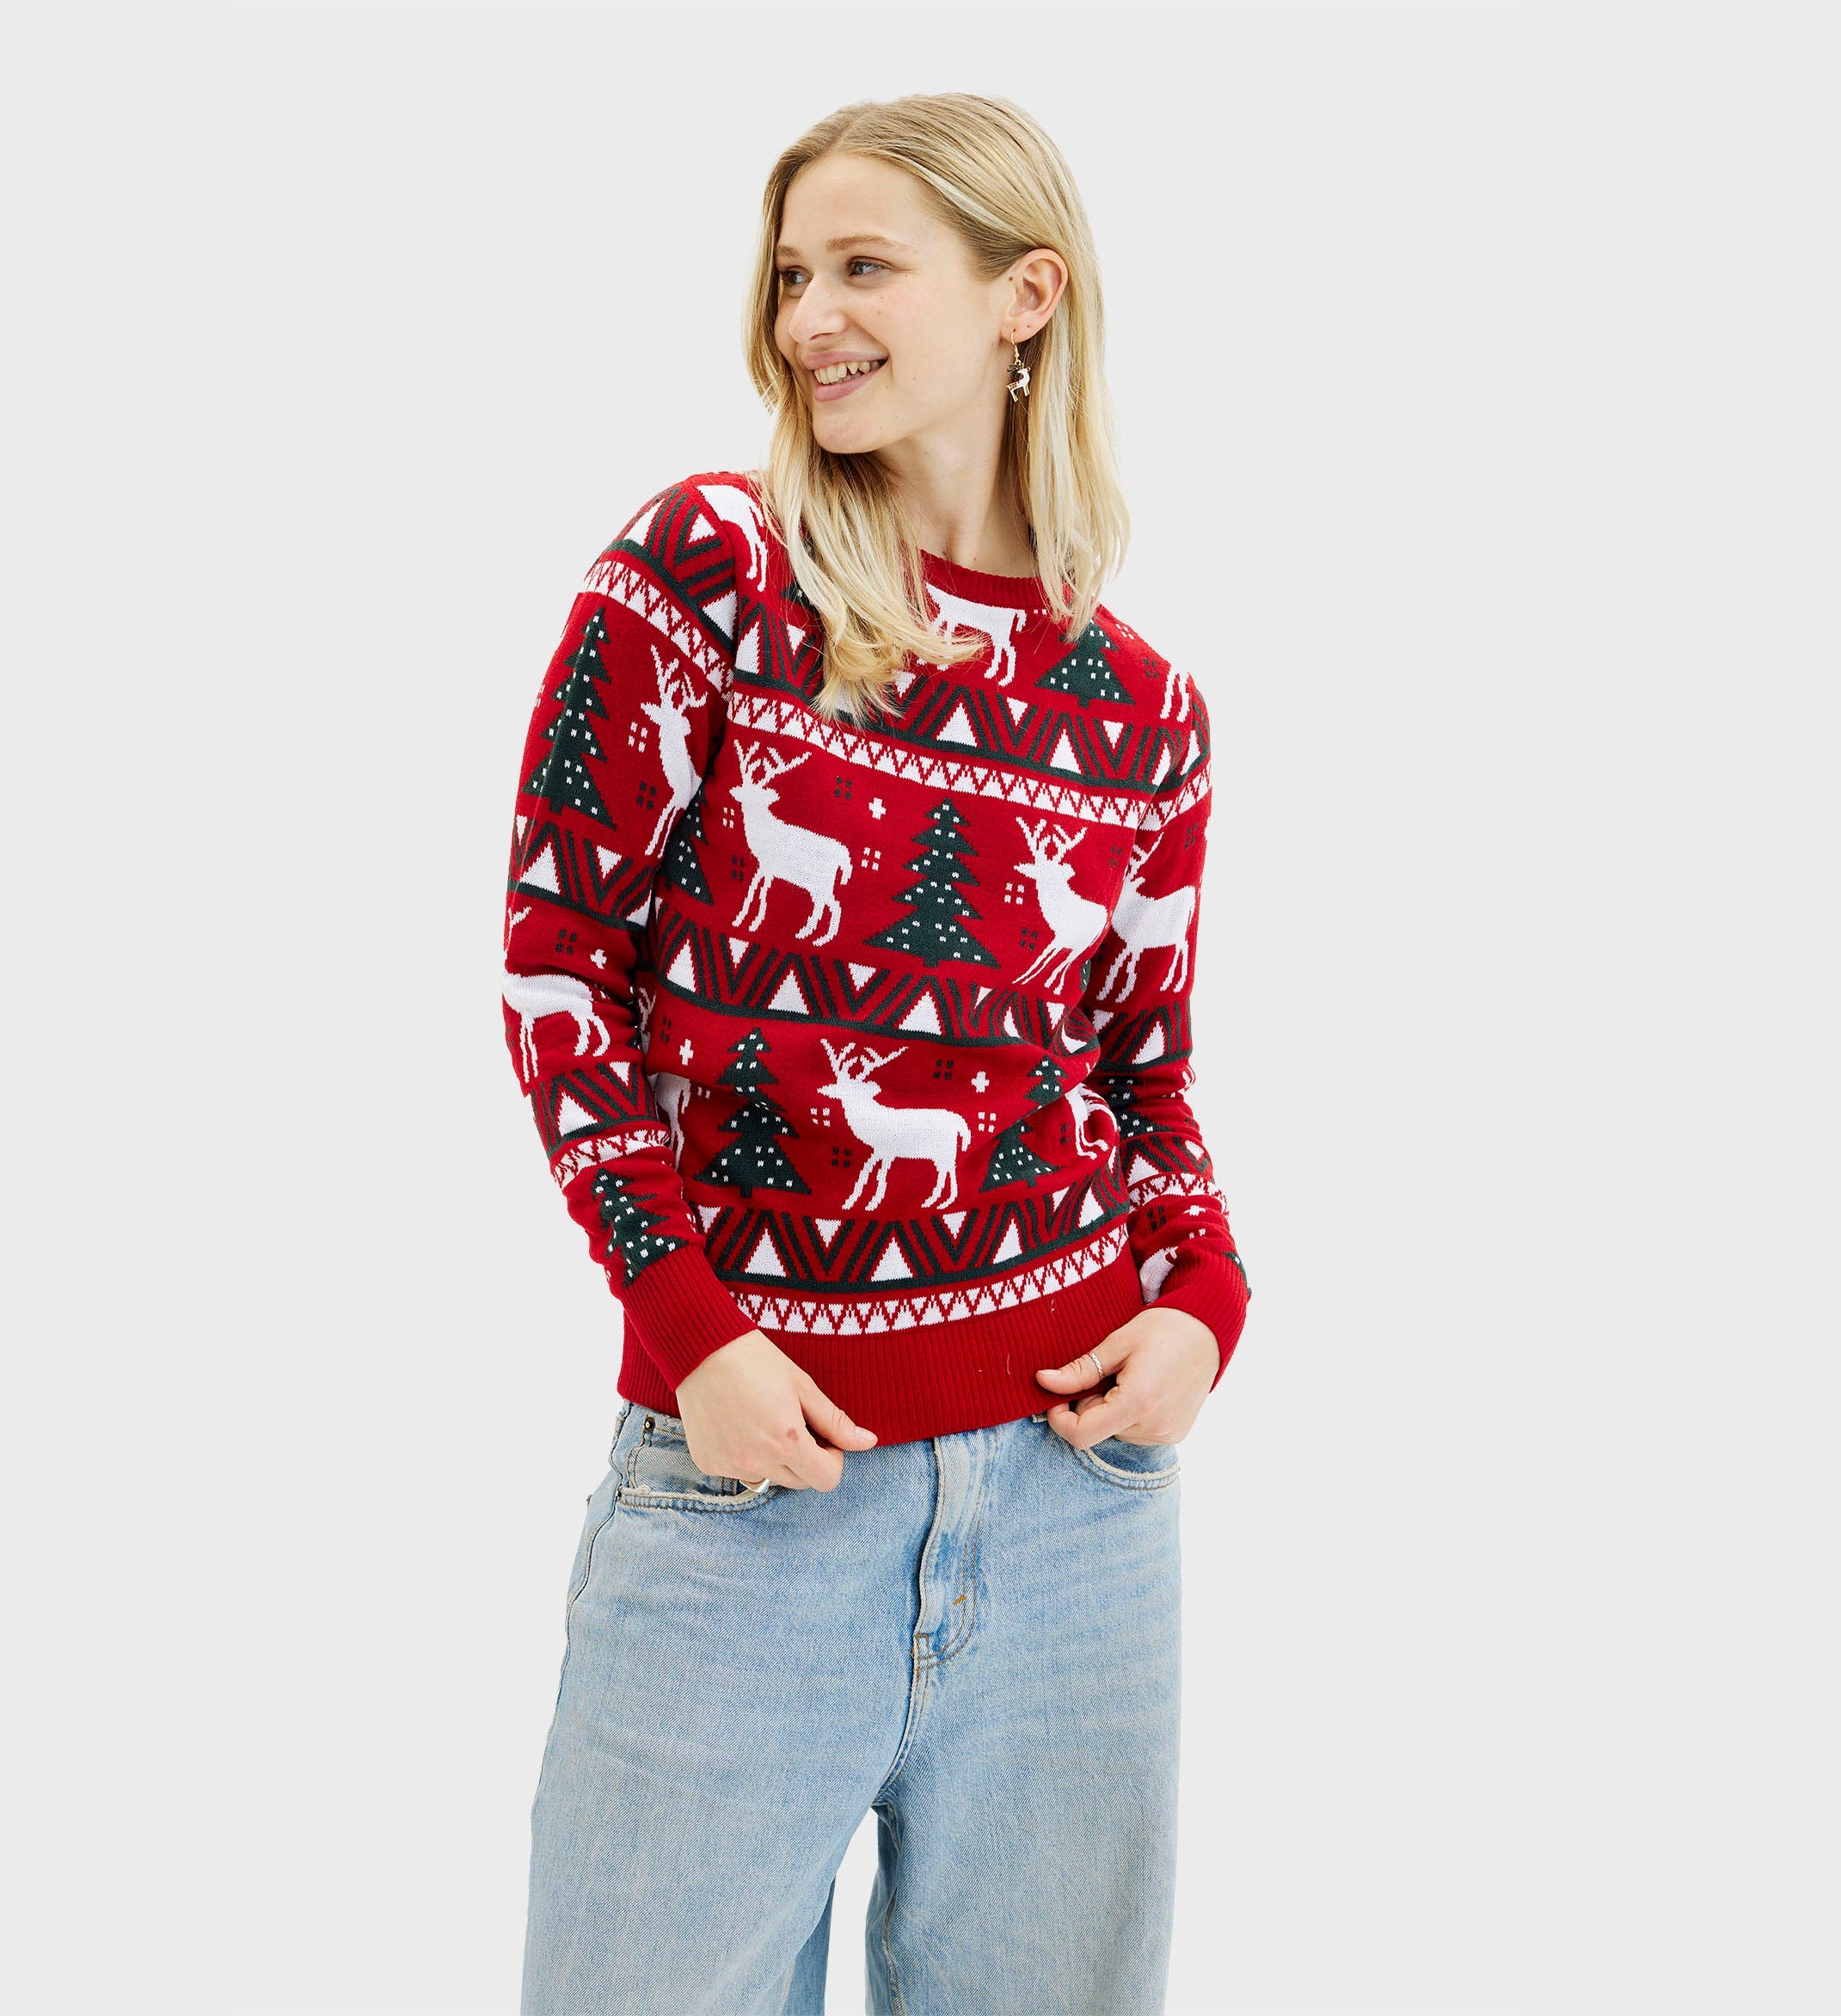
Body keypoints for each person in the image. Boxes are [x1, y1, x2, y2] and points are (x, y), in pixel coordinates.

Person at [500, 91, 1251, 2016]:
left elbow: (1139, 1070)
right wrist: (695, 1334)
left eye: (861, 268)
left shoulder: (1142, 709)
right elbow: (560, 972)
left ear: (1024, 298)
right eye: (788, 276)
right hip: (751, 1494)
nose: (807, 320)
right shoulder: (708, 574)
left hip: (1081, 1502)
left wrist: (1206, 1300)